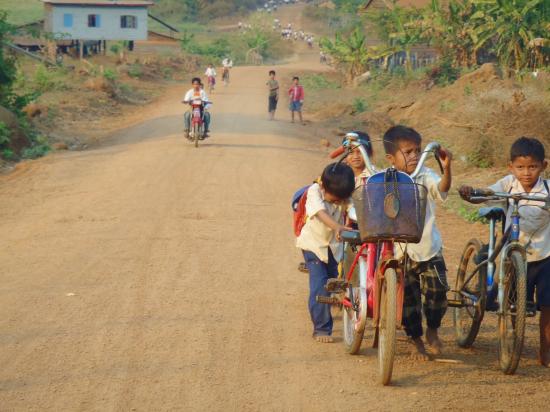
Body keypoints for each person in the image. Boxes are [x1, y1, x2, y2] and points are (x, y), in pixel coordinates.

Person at [459, 137, 550, 367]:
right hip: (514, 255)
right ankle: (514, 337)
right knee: (512, 302)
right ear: (511, 167)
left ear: (543, 166)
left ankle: (545, 349)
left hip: (545, 253)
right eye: (520, 167)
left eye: (532, 167)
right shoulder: (509, 184)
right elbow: (489, 192)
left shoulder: (547, 188)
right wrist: (473, 192)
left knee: (549, 305)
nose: (526, 173)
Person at [383, 125, 452, 360]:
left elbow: (441, 190)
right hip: (400, 251)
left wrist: (447, 169)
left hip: (428, 245)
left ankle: (433, 329)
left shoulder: (426, 175)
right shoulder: (386, 180)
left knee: (438, 291)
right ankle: (415, 340)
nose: (414, 156)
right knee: (408, 300)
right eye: (408, 152)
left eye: (418, 151)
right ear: (391, 158)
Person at [296, 163, 355, 342]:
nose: (337, 203)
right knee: (320, 285)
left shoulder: (345, 197)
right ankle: (321, 328)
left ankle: (332, 304)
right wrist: (337, 226)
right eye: (334, 199)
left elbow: (353, 211)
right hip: (313, 245)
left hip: (333, 248)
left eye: (341, 200)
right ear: (323, 187)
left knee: (333, 280)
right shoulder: (315, 191)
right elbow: (320, 213)